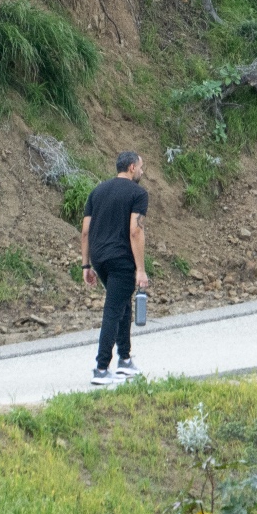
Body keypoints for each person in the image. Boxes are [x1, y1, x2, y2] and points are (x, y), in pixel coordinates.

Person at [82, 150, 149, 386]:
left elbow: (86, 231)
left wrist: (86, 264)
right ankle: (101, 368)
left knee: (123, 304)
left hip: (100, 258)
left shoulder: (97, 191)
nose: (142, 171)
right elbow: (135, 230)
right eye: (141, 167)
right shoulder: (138, 193)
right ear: (132, 167)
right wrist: (140, 269)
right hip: (121, 259)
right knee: (113, 309)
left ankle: (125, 359)